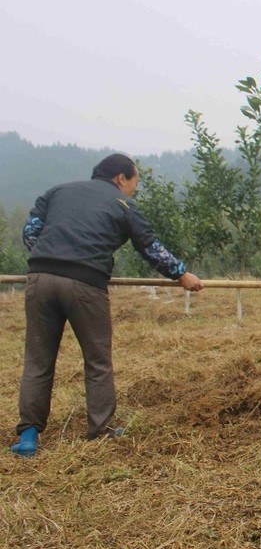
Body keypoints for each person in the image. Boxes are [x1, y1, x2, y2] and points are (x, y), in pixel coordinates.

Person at [11, 153, 203, 457]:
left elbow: (30, 231)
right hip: (85, 284)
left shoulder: (57, 191)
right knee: (97, 360)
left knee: (38, 359)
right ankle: (100, 430)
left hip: (40, 278)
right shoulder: (122, 205)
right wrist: (181, 274)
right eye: (134, 182)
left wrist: (53, 260)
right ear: (121, 178)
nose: (133, 190)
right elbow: (150, 247)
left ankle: (28, 437)